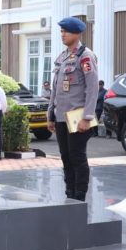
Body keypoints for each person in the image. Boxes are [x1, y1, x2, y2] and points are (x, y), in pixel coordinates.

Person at [47, 17, 99, 202]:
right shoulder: (62, 57)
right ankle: (69, 194)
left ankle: (79, 196)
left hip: (77, 116)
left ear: (77, 34)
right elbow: (56, 88)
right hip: (61, 116)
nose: (62, 34)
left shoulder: (85, 56)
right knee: (65, 157)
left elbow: (92, 88)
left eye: (65, 32)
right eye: (61, 31)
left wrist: (88, 116)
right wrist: (50, 115)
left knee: (77, 157)